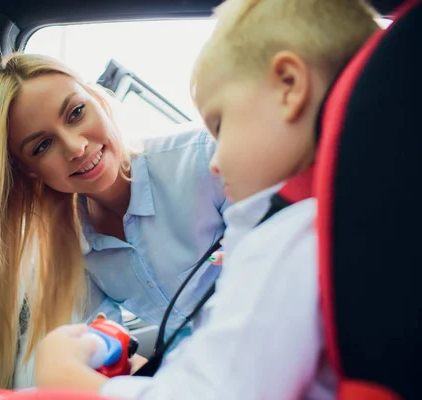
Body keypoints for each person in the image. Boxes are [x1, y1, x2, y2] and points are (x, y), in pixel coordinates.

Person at [24, 0, 381, 398]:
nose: (215, 161)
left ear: (290, 86)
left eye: (221, 125)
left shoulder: (285, 237)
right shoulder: (323, 224)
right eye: (41, 146)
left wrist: (75, 383)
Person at [0, 52, 228, 393]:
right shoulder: (69, 252)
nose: (76, 146)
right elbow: (104, 355)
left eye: (76, 113)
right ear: (29, 170)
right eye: (42, 146)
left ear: (98, 98)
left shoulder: (205, 158)